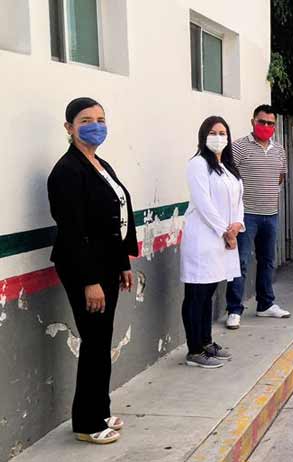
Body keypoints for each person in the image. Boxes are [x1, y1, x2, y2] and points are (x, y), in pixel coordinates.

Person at [48, 97, 138, 444]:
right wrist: (90, 281)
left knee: (101, 341)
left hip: (107, 263)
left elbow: (116, 216)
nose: (95, 125)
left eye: (100, 119)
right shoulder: (67, 171)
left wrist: (123, 262)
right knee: (95, 342)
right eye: (86, 120)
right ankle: (86, 423)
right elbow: (73, 230)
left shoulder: (101, 164)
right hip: (84, 268)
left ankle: (100, 409)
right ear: (69, 127)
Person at [180, 116, 244, 368]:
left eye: (223, 133)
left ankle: (206, 342)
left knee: (208, 293)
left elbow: (238, 200)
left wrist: (237, 225)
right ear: (203, 136)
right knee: (196, 294)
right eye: (213, 133)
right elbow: (203, 202)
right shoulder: (198, 164)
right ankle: (194, 350)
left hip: (223, 240)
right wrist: (225, 231)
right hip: (203, 239)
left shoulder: (227, 167)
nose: (219, 137)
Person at [225, 105, 290, 330]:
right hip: (245, 216)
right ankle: (234, 309)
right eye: (262, 122)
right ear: (253, 121)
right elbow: (228, 179)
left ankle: (265, 304)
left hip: (270, 215)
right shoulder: (238, 147)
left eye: (270, 123)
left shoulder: (279, 150)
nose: (266, 126)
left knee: (267, 261)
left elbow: (279, 178)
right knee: (241, 263)